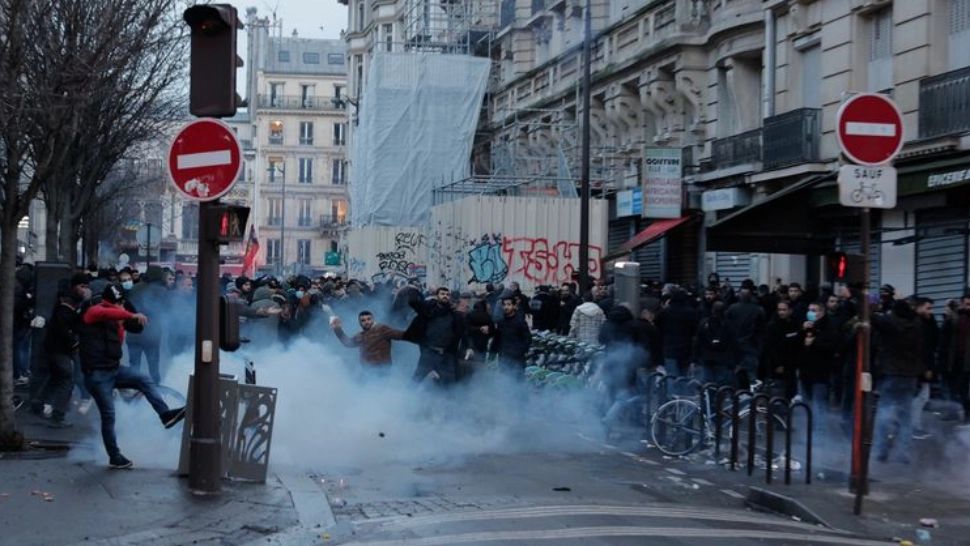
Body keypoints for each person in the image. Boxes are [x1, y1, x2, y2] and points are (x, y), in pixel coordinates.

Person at [79, 284, 186, 469]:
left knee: (143, 379)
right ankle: (114, 455)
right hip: (97, 375)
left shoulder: (120, 315)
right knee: (109, 415)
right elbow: (106, 313)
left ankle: (165, 415)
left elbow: (132, 326)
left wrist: (131, 320)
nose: (122, 306)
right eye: (119, 303)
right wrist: (129, 315)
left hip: (114, 369)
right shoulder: (93, 312)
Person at [871, 299, 924, 464]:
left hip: (891, 374)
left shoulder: (890, 323)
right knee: (905, 417)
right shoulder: (916, 324)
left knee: (884, 415)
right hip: (910, 376)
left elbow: (873, 318)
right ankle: (903, 453)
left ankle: (881, 451)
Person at [28, 284, 85, 427]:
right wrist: (75, 344)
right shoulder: (66, 314)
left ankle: (38, 402)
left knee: (55, 378)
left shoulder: (59, 311)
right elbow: (67, 334)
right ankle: (58, 414)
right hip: (60, 352)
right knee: (67, 380)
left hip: (52, 351)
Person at [404, 287, 463, 385]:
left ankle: (447, 400)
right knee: (416, 380)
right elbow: (413, 301)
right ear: (437, 296)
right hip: (429, 352)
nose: (445, 296)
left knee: (450, 381)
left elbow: (459, 333)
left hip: (446, 354)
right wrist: (414, 288)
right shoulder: (428, 310)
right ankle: (407, 399)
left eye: (447, 295)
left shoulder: (453, 314)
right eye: (442, 294)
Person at [795, 301, 840, 423]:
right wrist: (802, 331)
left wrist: (814, 343)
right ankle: (807, 429)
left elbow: (832, 346)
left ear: (822, 312)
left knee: (819, 404)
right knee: (806, 403)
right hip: (805, 371)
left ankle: (819, 431)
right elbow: (796, 344)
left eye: (814, 311)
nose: (810, 313)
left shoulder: (829, 326)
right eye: (809, 310)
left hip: (820, 372)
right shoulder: (806, 325)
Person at [125, 267, 171, 384]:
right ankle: (156, 389)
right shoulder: (162, 291)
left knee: (134, 365)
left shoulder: (135, 288)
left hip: (133, 332)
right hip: (152, 334)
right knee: (153, 365)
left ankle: (132, 389)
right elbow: (166, 310)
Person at [331, 311, 404, 372]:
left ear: (373, 319)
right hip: (367, 371)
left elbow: (399, 334)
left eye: (369, 319)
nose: (366, 322)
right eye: (363, 320)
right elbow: (348, 343)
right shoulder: (360, 335)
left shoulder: (382, 329)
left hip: (383, 370)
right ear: (360, 323)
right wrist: (337, 329)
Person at [724, 288, 766, 389]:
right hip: (752, 347)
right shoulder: (758, 310)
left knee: (736, 376)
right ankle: (754, 398)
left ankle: (739, 397)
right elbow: (762, 329)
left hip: (735, 348)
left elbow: (726, 326)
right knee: (752, 376)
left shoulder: (732, 308)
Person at [939, 294, 970, 422]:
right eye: (967, 304)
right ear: (961, 304)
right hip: (954, 359)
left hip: (967, 360)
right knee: (953, 388)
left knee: (963, 389)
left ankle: (966, 413)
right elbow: (944, 337)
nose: (968, 307)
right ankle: (955, 413)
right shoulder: (954, 318)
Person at [911, 297, 939, 439]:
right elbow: (920, 348)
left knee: (922, 397)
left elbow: (934, 342)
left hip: (924, 365)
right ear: (919, 307)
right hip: (917, 367)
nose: (930, 311)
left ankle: (913, 426)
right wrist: (925, 368)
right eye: (928, 308)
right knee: (919, 398)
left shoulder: (928, 322)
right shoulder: (915, 323)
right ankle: (914, 427)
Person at [762, 300, 801, 399]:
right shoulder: (773, 326)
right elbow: (770, 347)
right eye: (779, 310)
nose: (781, 312)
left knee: (790, 392)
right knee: (778, 393)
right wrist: (778, 364)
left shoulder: (794, 324)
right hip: (778, 366)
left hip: (791, 365)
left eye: (784, 309)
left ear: (790, 311)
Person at [655, 289, 697, 377]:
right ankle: (682, 390)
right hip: (686, 349)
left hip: (669, 348)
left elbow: (657, 327)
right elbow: (694, 331)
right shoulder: (691, 312)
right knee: (684, 376)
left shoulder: (665, 312)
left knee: (671, 376)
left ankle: (672, 391)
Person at [693, 301, 734, 386]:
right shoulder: (728, 324)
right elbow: (732, 343)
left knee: (708, 382)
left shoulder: (704, 323)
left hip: (707, 357)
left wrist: (695, 358)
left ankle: (709, 397)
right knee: (721, 383)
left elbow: (697, 341)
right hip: (722, 358)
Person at [492, 297, 532, 373]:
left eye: (509, 304)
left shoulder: (520, 322)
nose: (506, 307)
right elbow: (497, 339)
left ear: (514, 306)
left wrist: (519, 352)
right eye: (504, 305)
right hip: (503, 359)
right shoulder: (501, 322)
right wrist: (493, 354)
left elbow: (528, 339)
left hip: (517, 360)